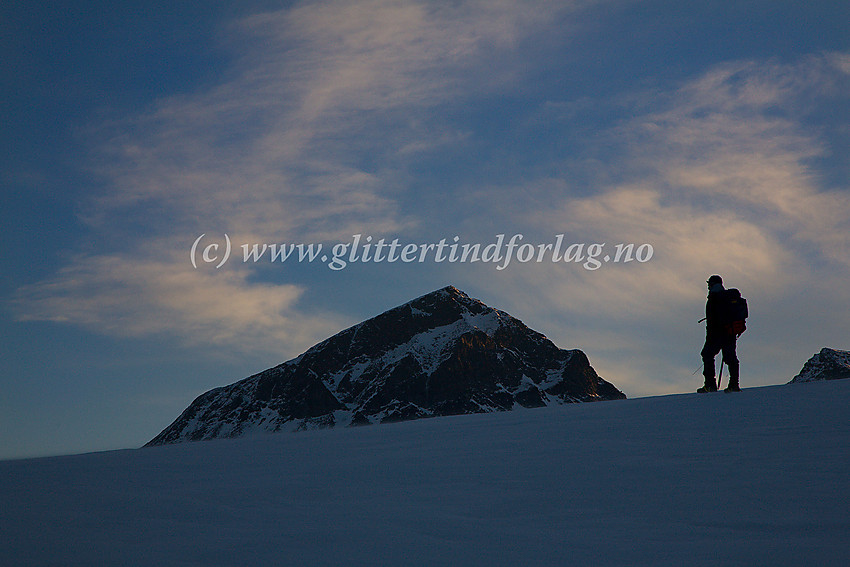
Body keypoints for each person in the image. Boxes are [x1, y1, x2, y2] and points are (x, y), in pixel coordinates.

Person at [698, 275, 741, 393]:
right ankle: (734, 385)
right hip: (729, 332)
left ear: (712, 284)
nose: (708, 286)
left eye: (709, 284)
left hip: (716, 334)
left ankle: (710, 385)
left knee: (707, 354)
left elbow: (713, 320)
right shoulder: (727, 297)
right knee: (730, 357)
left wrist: (710, 335)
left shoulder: (714, 297)